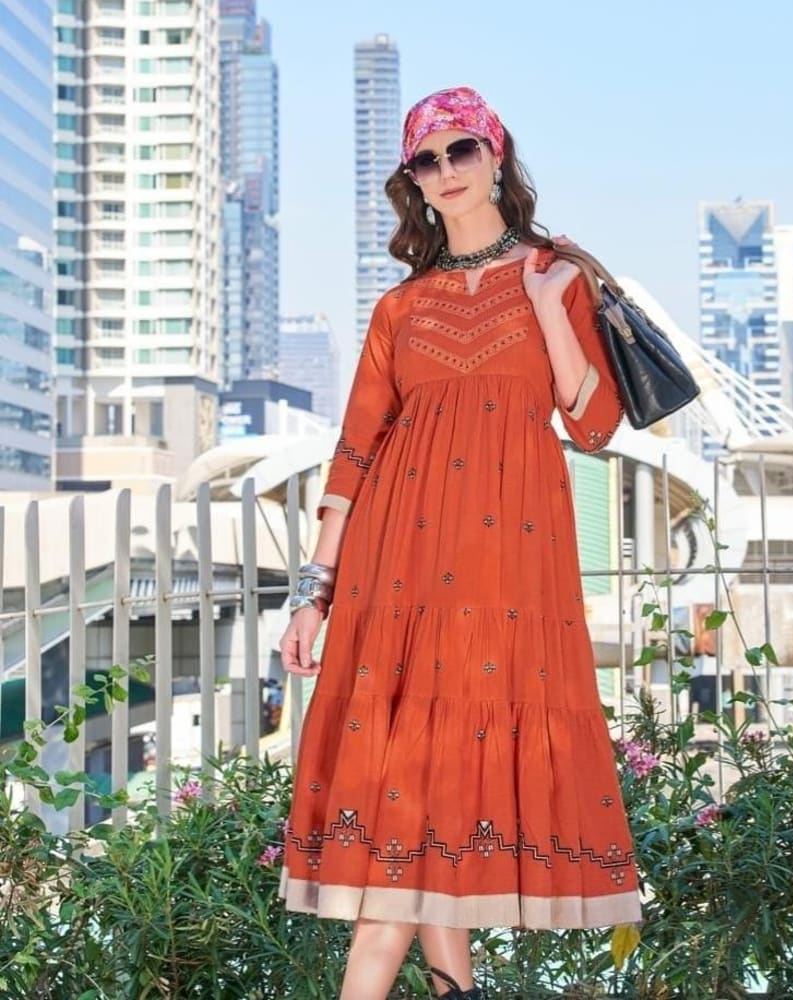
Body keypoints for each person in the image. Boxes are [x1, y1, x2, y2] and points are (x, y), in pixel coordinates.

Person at [278, 85, 643, 1000]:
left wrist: (550, 306)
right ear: (414, 180)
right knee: (415, 779)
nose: (445, 171)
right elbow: (356, 449)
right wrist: (315, 592)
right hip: (395, 568)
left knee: (440, 780)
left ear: (496, 155)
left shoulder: (558, 275)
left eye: (461, 150)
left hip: (507, 567)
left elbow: (594, 424)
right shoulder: (402, 308)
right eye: (426, 159)